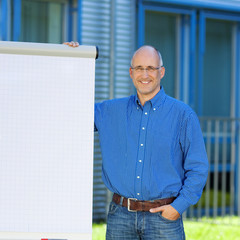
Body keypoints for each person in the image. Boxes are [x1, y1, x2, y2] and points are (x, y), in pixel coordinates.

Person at [65, 42, 209, 239]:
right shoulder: (108, 111)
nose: (145, 75)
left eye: (151, 68)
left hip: (164, 219)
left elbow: (198, 168)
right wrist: (67, 60)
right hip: (120, 218)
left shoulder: (183, 115)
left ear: (162, 72)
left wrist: (178, 207)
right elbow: (69, 110)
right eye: (140, 68)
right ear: (131, 73)